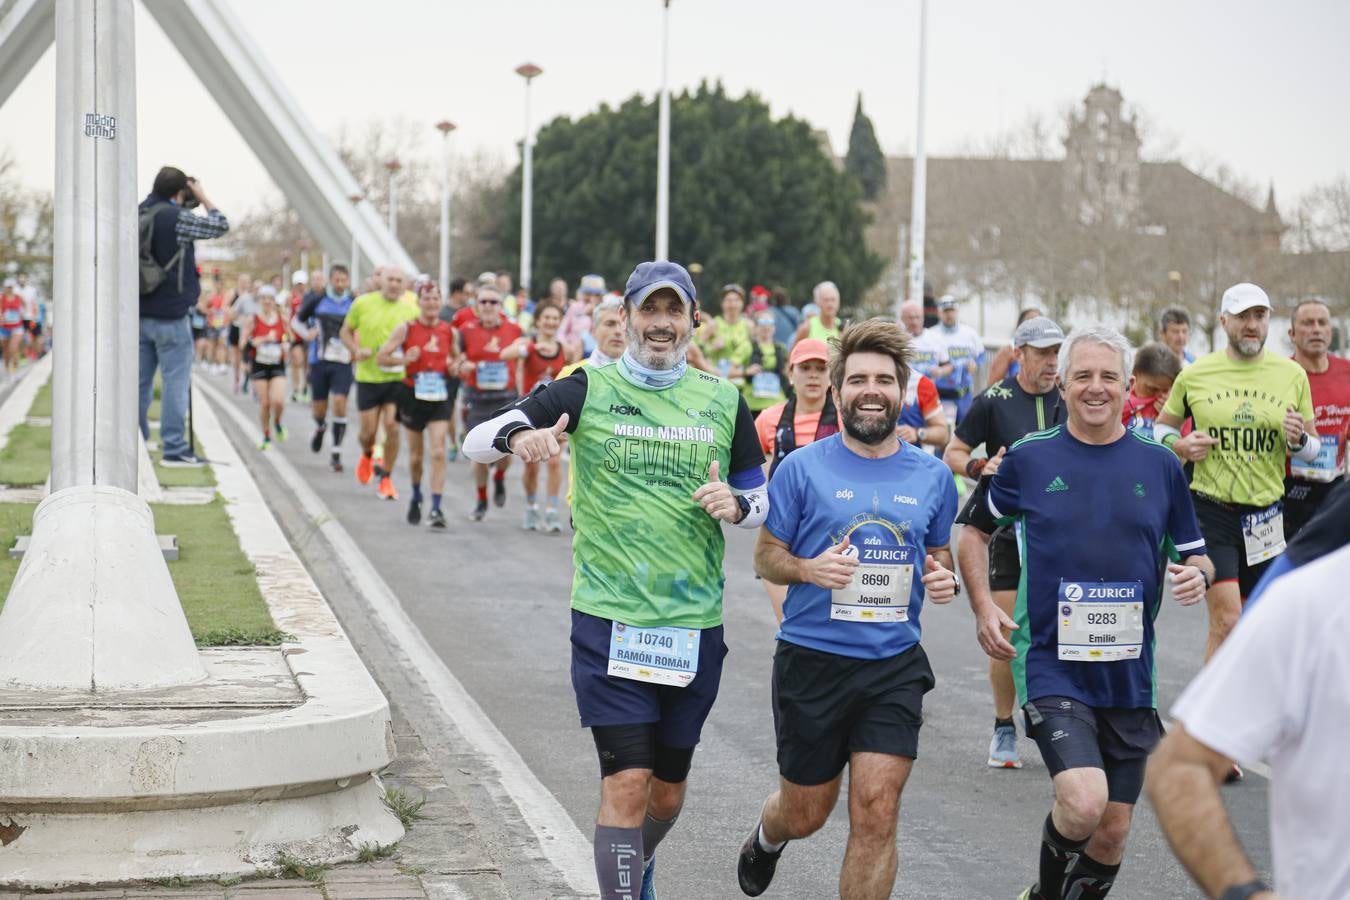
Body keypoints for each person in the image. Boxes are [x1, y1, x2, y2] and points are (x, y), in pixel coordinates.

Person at [464, 260, 767, 900]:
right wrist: (519, 437)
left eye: (673, 311)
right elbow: (477, 439)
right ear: (625, 317)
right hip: (610, 619)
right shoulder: (586, 387)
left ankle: (639, 859)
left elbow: (761, 497)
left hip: (693, 625)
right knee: (627, 783)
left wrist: (740, 506)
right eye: (648, 310)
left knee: (667, 791)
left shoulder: (723, 400)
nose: (660, 323)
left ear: (693, 321)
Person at [963, 325, 1212, 900]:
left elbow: (1197, 554)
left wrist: (1196, 576)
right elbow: (973, 532)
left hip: (1130, 677)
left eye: (1107, 377)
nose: (1095, 387)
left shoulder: (1161, 465)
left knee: (1111, 833)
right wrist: (983, 606)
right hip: (1054, 666)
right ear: (1063, 385)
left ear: (1127, 386)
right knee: (1082, 802)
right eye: (1082, 376)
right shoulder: (1029, 458)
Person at [737, 319, 959, 900]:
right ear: (838, 392)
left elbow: (938, 555)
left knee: (878, 809)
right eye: (858, 380)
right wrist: (808, 569)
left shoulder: (934, 476)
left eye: (884, 380)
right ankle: (769, 835)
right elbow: (766, 557)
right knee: (806, 811)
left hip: (892, 665)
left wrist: (945, 578)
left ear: (902, 391)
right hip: (812, 660)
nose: (871, 390)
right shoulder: (801, 468)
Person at [1147, 542, 1350, 900]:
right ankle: (1222, 725)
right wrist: (1245, 893)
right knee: (1229, 620)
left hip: (1264, 522)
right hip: (1221, 521)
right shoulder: (1311, 600)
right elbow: (1178, 767)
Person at [1154, 284, 1318, 666]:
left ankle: (1248, 699)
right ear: (1223, 321)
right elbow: (1161, 429)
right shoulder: (1195, 373)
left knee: (1259, 621)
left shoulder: (1292, 374)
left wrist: (1298, 440)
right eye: (1243, 316)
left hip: (1266, 516)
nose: (1252, 325)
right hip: (1211, 511)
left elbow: (1313, 449)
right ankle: (1210, 706)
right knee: (1227, 620)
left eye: (1259, 316)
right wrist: (1180, 445)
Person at [946, 315, 1067, 769]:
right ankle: (1003, 725)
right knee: (1008, 630)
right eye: (1042, 353)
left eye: (1056, 353)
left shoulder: (1070, 398)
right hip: (1004, 529)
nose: (1052, 362)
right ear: (1019, 354)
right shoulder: (993, 401)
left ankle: (1063, 720)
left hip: (1058, 531)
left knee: (1062, 630)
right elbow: (954, 452)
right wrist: (981, 467)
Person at [137, 166, 229, 465]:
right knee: (175, 382)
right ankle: (174, 447)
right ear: (181, 192)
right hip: (172, 314)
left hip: (138, 313)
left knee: (139, 383)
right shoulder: (176, 218)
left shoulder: (138, 213)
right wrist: (202, 196)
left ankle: (135, 442)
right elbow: (219, 225)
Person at [752, 338, 839, 622]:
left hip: (832, 532)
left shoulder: (845, 420)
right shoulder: (769, 419)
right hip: (781, 537)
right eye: (805, 368)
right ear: (790, 374)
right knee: (789, 623)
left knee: (829, 623)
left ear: (831, 376)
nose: (813, 375)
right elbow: (747, 467)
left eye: (821, 368)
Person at [379, 280, 456, 529]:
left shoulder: (449, 331)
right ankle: (416, 495)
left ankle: (436, 508)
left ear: (440, 302)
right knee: (416, 457)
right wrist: (404, 359)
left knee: (438, 452)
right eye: (427, 298)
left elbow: (456, 359)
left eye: (435, 298)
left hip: (439, 396)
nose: (431, 303)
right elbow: (382, 357)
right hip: (413, 394)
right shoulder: (406, 328)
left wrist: (456, 367)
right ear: (419, 302)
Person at [340, 266, 418, 501]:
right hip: (368, 377)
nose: (394, 284)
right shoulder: (363, 303)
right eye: (390, 280)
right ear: (381, 282)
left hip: (397, 378)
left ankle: (386, 477)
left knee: (392, 427)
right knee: (368, 433)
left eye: (399, 281)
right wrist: (355, 350)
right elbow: (345, 331)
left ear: (405, 285)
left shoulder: (412, 310)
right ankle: (367, 454)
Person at [1282, 298, 1349, 539]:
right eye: (1308, 323)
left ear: (1331, 331)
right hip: (1288, 488)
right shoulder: (1280, 375)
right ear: (1292, 333)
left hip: (1334, 484)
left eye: (1322, 323)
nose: (1316, 329)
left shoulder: (1347, 371)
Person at [457, 286, 523, 521]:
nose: (487, 306)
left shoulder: (514, 329)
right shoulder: (466, 330)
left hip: (506, 398)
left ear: (500, 306)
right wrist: (462, 366)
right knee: (479, 454)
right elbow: (457, 359)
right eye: (483, 301)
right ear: (476, 305)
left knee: (505, 451)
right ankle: (482, 498)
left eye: (493, 302)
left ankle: (499, 478)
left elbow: (523, 359)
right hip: (476, 398)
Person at [502, 301, 568, 532]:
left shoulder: (566, 349)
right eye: (546, 317)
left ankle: (551, 511)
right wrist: (531, 348)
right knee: (532, 464)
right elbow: (504, 354)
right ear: (538, 321)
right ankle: (531, 506)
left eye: (555, 318)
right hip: (531, 413)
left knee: (554, 461)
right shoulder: (526, 344)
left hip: (556, 412)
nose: (551, 322)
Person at [294, 264, 355, 472]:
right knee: (319, 408)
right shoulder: (317, 300)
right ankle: (320, 426)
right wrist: (307, 334)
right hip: (319, 360)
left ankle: (336, 452)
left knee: (339, 402)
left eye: (343, 280)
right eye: (336, 280)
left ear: (348, 281)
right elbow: (296, 321)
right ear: (330, 280)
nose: (340, 284)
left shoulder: (353, 302)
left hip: (343, 362)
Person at [241, 285, 290, 450]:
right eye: (264, 298)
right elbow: (243, 343)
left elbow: (289, 337)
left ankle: (277, 422)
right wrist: (260, 340)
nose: (267, 301)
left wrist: (285, 344)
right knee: (265, 403)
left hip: (277, 363)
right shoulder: (253, 319)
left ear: (274, 300)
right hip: (259, 364)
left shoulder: (282, 319)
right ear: (259, 301)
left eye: (270, 298)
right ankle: (266, 435)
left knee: (279, 401)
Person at [926, 295, 985, 425]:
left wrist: (975, 363)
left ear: (957, 311)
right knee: (941, 431)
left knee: (965, 432)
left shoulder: (970, 333)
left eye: (952, 311)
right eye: (945, 311)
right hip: (940, 394)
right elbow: (927, 361)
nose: (949, 315)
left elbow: (981, 354)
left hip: (964, 395)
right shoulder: (931, 334)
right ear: (939, 313)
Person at [1121, 342, 1183, 441]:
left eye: (1165, 390)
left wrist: (1171, 416)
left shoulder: (1176, 407)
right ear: (1135, 374)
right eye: (1152, 389)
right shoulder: (1118, 404)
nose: (1158, 396)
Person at [702, 285, 753, 385]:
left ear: (742, 303)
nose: (733, 304)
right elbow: (698, 349)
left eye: (736, 300)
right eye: (729, 300)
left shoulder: (749, 325)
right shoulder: (714, 324)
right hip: (718, 381)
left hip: (742, 382)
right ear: (722, 303)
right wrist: (712, 347)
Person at [743, 313, 789, 416]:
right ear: (755, 327)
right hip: (753, 404)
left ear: (774, 327)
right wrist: (746, 371)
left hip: (777, 403)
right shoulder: (747, 346)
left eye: (770, 323)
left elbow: (789, 372)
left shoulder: (781, 347)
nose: (766, 327)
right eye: (762, 323)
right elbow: (729, 371)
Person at [899, 300, 952, 384]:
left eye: (917, 317)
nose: (914, 322)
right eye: (910, 318)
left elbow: (948, 366)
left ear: (923, 318)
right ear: (902, 319)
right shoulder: (896, 340)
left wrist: (940, 371)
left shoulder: (936, 338)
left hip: (929, 389)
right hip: (905, 389)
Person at [987, 307, 1044, 384]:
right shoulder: (1009, 350)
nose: (1035, 326)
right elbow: (992, 384)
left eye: (1039, 322)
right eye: (1031, 322)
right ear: (1020, 326)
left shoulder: (1046, 350)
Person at [228, 273, 256, 393]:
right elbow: (225, 308)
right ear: (238, 281)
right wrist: (238, 316)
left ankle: (247, 379)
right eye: (242, 281)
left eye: (247, 281)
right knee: (237, 357)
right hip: (236, 327)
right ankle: (237, 380)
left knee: (247, 356)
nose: (244, 283)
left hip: (249, 330)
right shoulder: (233, 293)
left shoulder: (253, 296)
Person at [0, 279, 23, 376]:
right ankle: (6, 369)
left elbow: (25, 309)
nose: (9, 289)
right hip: (4, 327)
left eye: (11, 287)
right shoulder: (1, 298)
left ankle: (16, 369)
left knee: (13, 347)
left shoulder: (19, 297)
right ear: (5, 288)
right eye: (8, 287)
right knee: (6, 350)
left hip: (17, 327)